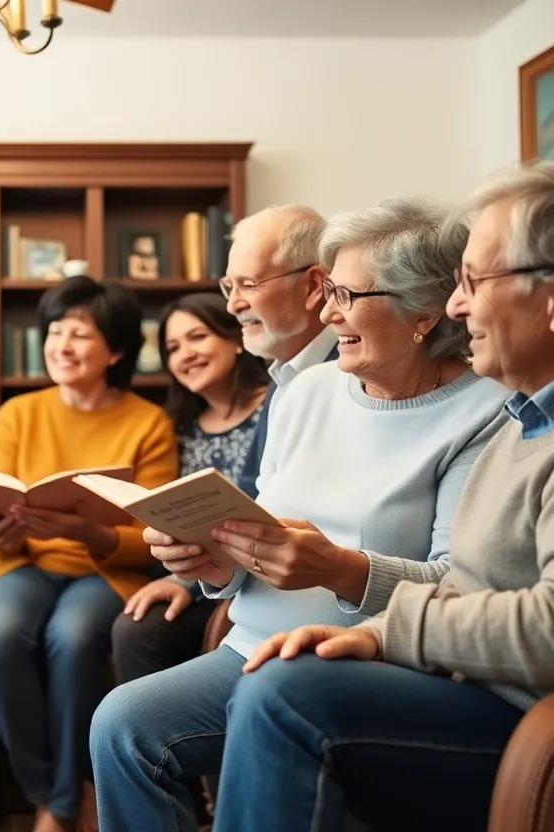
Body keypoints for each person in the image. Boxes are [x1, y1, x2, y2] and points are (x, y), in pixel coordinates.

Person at [90, 197, 512, 832]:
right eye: (328, 289)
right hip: (250, 648)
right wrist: (212, 560)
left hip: (368, 662)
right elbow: (256, 530)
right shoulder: (305, 390)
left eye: (346, 293)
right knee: (122, 724)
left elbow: (460, 584)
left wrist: (343, 570)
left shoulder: (483, 414)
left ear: (423, 312)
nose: (327, 310)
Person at [211, 163, 554, 832]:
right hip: (448, 677)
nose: (459, 306)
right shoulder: (522, 423)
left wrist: (387, 629)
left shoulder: (500, 422)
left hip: (503, 705)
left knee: (283, 698)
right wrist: (373, 635)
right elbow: (464, 583)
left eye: (475, 282)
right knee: (256, 687)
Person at [0, 275, 179, 832]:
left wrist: (89, 532)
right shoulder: (19, 413)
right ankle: (56, 794)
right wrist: (1, 534)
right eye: (55, 330)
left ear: (114, 350)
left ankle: (59, 807)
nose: (61, 344)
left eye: (80, 334)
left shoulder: (148, 423)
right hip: (25, 565)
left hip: (103, 571)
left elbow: (155, 538)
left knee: (73, 637)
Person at [113, 292, 270, 684]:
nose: (185, 354)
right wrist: (182, 577)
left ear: (236, 338)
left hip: (261, 570)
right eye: (172, 347)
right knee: (136, 627)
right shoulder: (177, 428)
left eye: (197, 337)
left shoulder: (277, 405)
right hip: (196, 573)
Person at [221, 205, 339, 498]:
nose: (232, 305)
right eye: (229, 287)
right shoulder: (282, 374)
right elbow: (253, 492)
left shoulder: (363, 375)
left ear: (313, 286)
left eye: (248, 285)